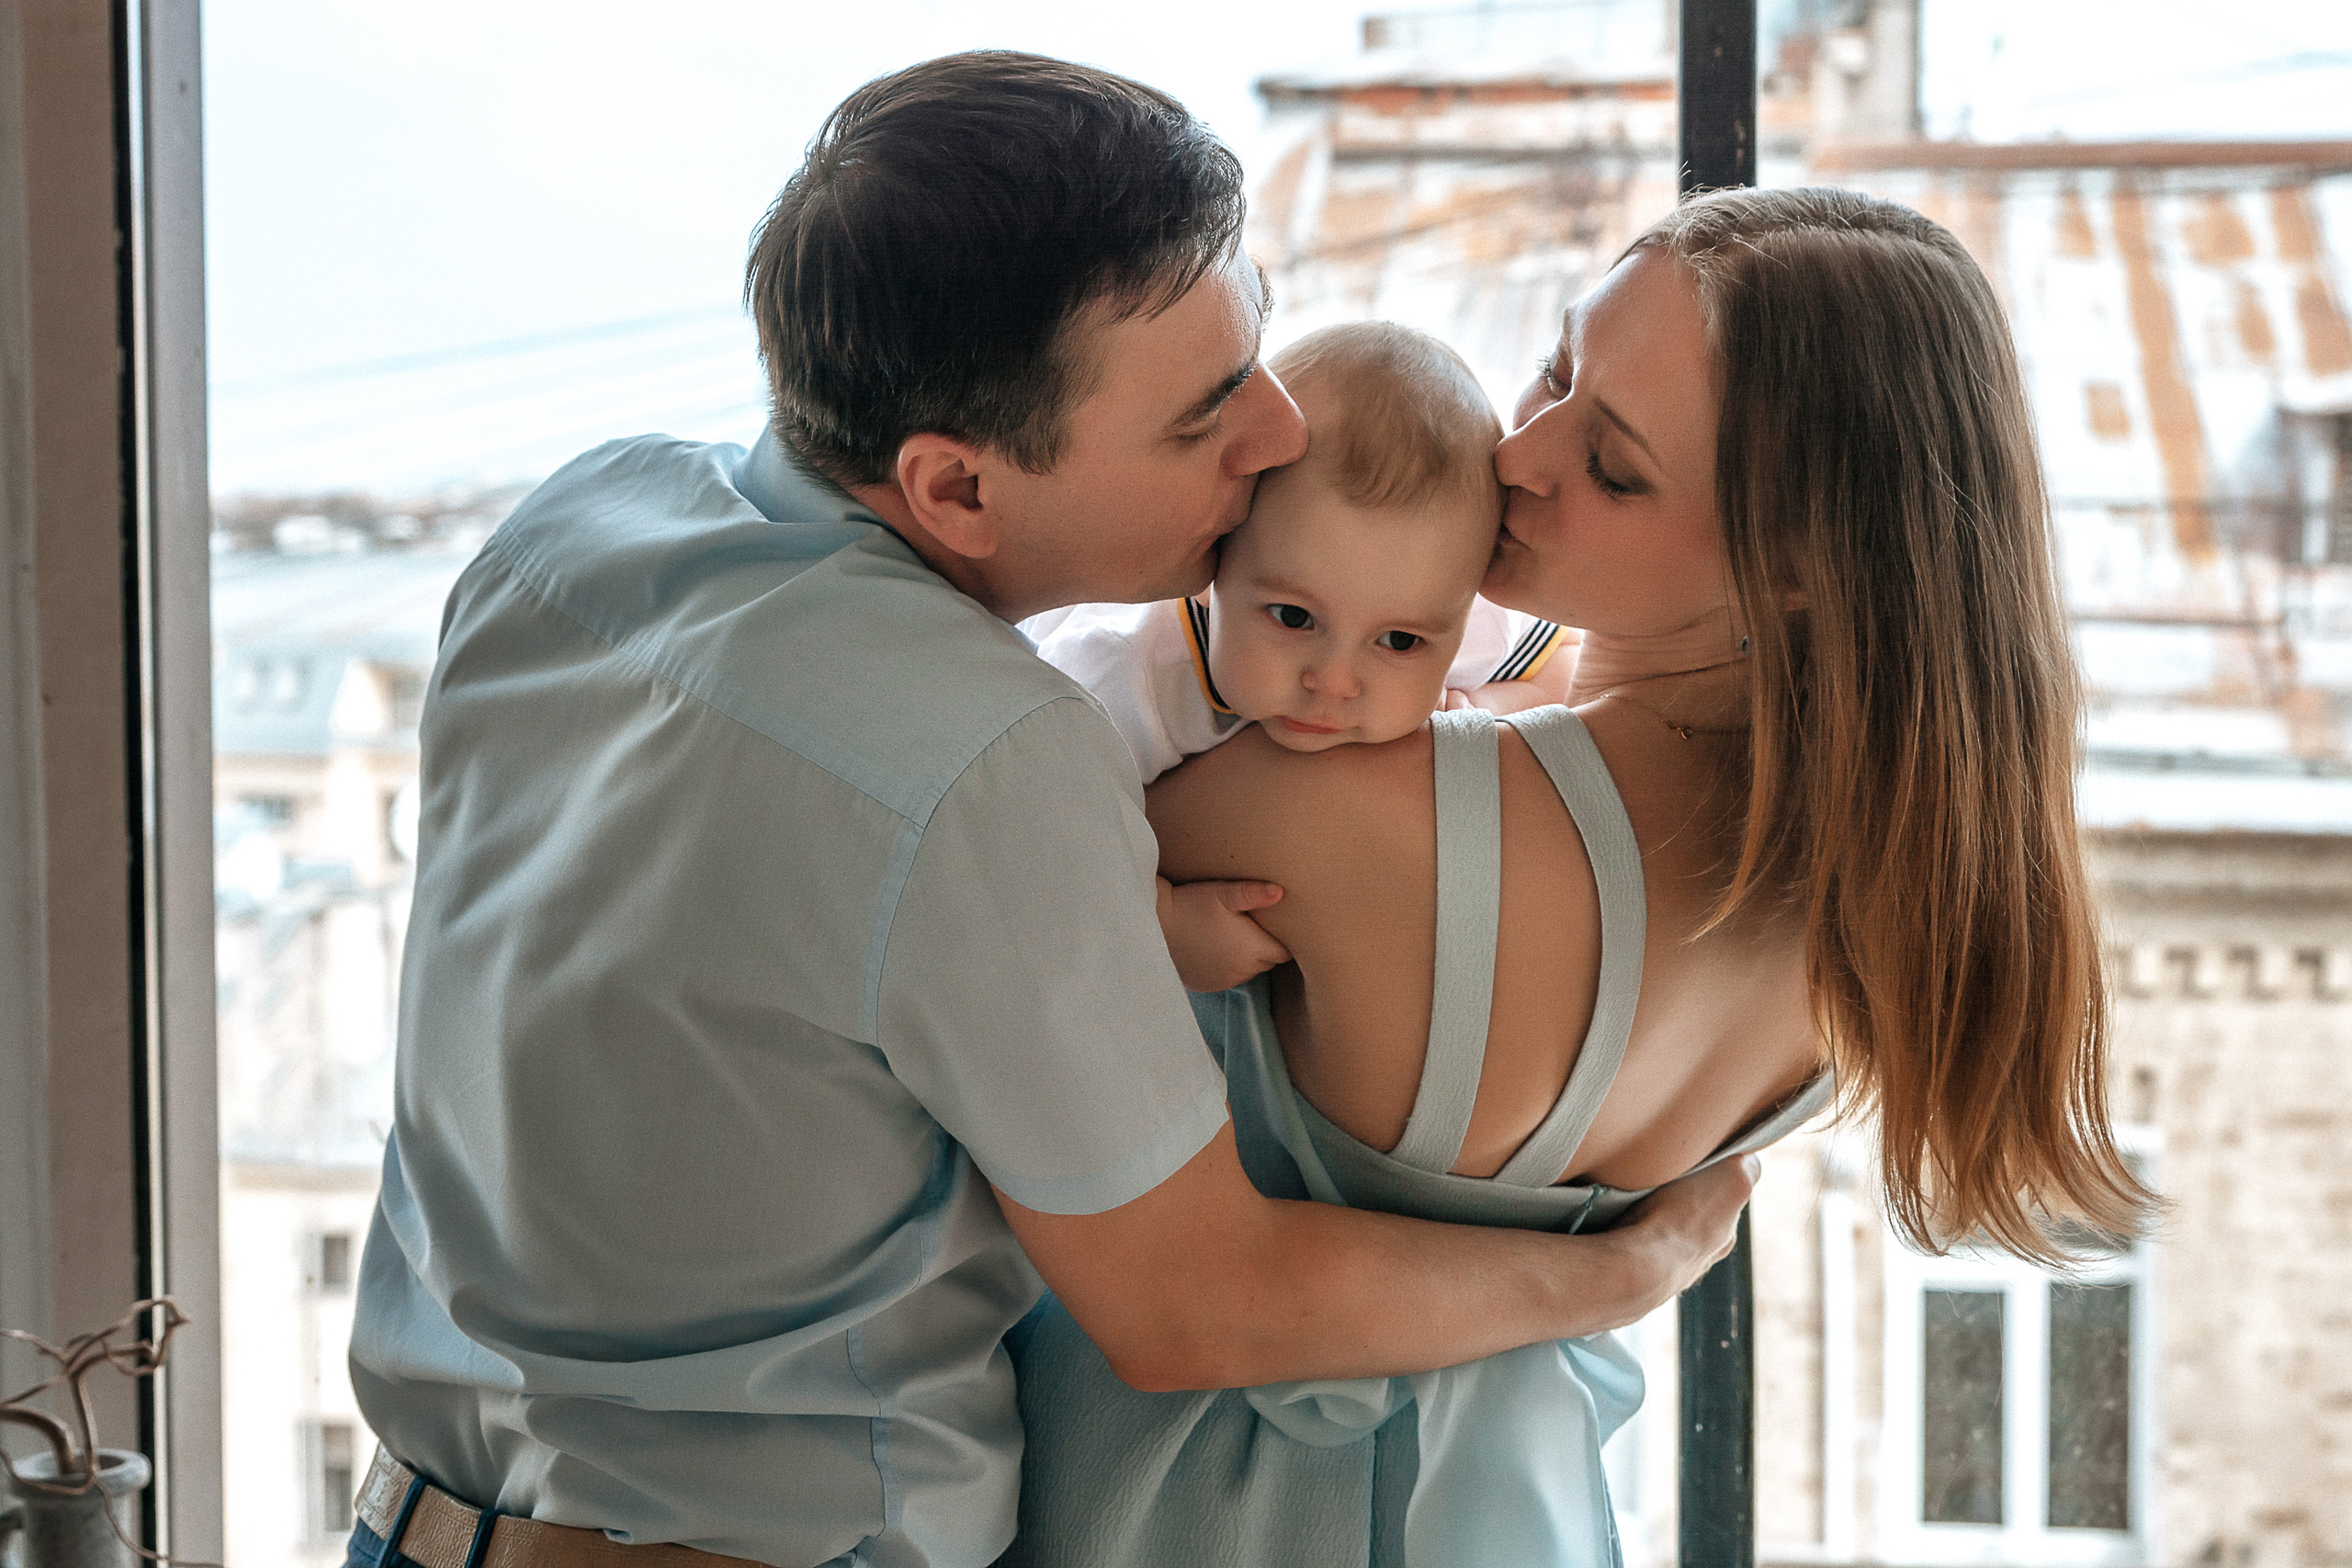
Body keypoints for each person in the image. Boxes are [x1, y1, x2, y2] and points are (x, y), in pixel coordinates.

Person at [338, 52, 1758, 1568]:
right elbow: (1197, 1307)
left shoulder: (571, 527)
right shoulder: (986, 756)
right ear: (954, 490)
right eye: (1203, 414)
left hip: (405, 1526)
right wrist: (1626, 1273)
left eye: (1257, 348)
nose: (1279, 432)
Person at [1004, 186, 2156, 1568]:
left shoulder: (1346, 811)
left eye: (1613, 467)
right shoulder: (1872, 930)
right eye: (1556, 368)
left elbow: (951, 862)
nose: (1522, 452)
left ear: (1791, 565)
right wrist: (1620, 1275)